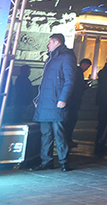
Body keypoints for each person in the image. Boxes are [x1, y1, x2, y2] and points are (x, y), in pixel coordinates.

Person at [31, 33, 76, 171]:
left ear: (57, 42)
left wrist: (63, 99)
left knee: (59, 134)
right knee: (46, 134)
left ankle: (63, 161)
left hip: (56, 102)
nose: (48, 45)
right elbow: (44, 83)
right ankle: (46, 161)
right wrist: (38, 100)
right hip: (46, 103)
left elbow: (70, 80)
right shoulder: (51, 58)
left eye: (49, 42)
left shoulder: (67, 57)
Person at [65, 58, 91, 149]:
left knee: (70, 120)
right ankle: (67, 139)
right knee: (71, 120)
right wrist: (84, 86)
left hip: (72, 100)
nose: (86, 69)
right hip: (74, 101)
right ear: (83, 64)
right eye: (87, 67)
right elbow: (78, 87)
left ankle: (67, 139)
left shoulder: (76, 71)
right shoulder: (78, 72)